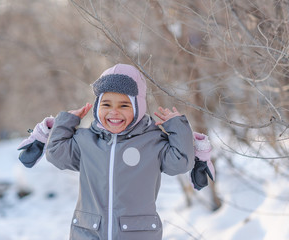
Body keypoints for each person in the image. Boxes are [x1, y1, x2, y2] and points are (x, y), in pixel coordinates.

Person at [17, 63, 214, 240]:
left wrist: (177, 127)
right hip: (88, 232)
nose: (114, 111)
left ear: (139, 106)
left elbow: (181, 162)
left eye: (124, 105)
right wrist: (65, 122)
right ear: (97, 107)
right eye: (106, 104)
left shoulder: (152, 142)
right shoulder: (87, 141)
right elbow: (56, 154)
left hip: (137, 233)